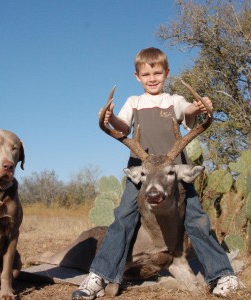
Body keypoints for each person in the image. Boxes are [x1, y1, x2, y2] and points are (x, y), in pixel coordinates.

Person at [72, 47, 239, 300]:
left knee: (196, 220)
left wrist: (199, 107)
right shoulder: (134, 102)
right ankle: (100, 276)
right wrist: (111, 118)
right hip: (142, 173)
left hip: (174, 174)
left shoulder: (174, 100)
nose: (152, 78)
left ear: (167, 73)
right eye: (146, 74)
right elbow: (122, 125)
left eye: (157, 73)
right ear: (137, 76)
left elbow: (189, 112)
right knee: (123, 219)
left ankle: (223, 274)